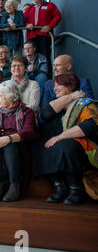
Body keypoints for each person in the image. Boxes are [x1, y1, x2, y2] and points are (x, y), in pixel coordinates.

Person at [32, 74, 98, 205]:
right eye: (54, 86)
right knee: (37, 147)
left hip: (85, 145)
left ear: (71, 86)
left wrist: (59, 137)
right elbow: (45, 113)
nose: (55, 88)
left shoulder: (85, 104)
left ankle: (75, 189)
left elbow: (89, 127)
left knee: (66, 146)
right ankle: (60, 186)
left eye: (58, 85)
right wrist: (71, 96)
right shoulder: (60, 104)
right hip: (61, 142)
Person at [0, 80, 37, 202]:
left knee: (10, 146)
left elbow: (29, 132)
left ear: (11, 97)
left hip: (18, 146)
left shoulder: (27, 112)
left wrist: (9, 139)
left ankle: (14, 186)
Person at [24, 0, 62, 64]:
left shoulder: (50, 6)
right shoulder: (29, 9)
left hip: (44, 35)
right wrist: (27, 24)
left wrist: (49, 26)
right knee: (31, 57)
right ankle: (33, 73)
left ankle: (46, 74)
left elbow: (58, 16)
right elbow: (23, 20)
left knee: (44, 56)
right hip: (31, 36)